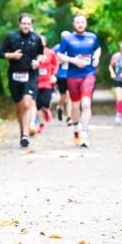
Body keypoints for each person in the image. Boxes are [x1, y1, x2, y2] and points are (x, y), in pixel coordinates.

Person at [54, 14, 101, 148]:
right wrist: (73, 60)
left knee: (86, 104)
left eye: (82, 22)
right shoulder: (68, 39)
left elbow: (98, 48)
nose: (80, 24)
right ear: (74, 25)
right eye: (77, 22)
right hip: (73, 75)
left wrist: (96, 57)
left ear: (85, 23)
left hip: (89, 74)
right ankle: (76, 130)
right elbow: (59, 54)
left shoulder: (92, 37)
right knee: (75, 106)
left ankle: (85, 134)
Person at [0, 13, 43, 148]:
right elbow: (0, 53)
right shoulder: (11, 37)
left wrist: (38, 61)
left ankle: (25, 135)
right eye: (24, 23)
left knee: (27, 103)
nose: (26, 26)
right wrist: (12, 55)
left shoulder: (36, 38)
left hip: (31, 74)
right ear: (20, 24)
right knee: (20, 107)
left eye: (28, 24)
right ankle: (22, 132)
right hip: (15, 75)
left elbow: (41, 53)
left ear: (31, 25)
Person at [32, 34, 58, 135]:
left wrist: (54, 75)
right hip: (36, 81)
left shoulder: (50, 52)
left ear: (45, 43)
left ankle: (46, 110)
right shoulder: (33, 52)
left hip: (47, 82)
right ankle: (41, 124)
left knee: (46, 102)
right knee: (38, 105)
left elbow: (56, 65)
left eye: (42, 42)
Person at [52, 30, 72, 124]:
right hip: (61, 75)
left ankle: (69, 117)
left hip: (72, 74)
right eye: (64, 37)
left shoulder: (73, 47)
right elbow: (51, 60)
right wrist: (59, 61)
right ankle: (59, 107)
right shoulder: (57, 48)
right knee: (63, 96)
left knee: (70, 96)